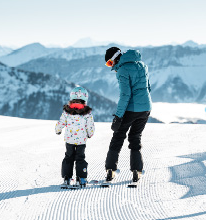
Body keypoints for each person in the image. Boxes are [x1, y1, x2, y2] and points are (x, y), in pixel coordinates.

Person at [104, 47, 152, 182]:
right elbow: (148, 87)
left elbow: (125, 95)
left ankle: (110, 170)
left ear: (115, 58)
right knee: (135, 137)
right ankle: (137, 170)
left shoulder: (122, 70)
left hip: (132, 109)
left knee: (118, 136)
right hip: (146, 108)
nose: (111, 66)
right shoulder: (143, 65)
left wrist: (118, 116)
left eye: (110, 62)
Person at [55, 86, 95, 187]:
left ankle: (67, 178)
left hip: (69, 140)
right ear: (85, 98)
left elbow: (61, 123)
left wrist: (58, 130)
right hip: (81, 141)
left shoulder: (67, 112)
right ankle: (81, 178)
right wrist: (90, 134)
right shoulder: (87, 113)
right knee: (80, 158)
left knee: (68, 157)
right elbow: (90, 126)